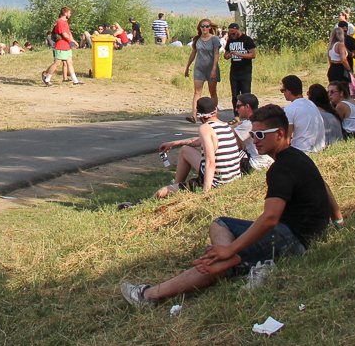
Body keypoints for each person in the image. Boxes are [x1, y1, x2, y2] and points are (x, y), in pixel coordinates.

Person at [121, 104, 342, 307]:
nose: (255, 140)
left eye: (261, 135)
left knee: (215, 264)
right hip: (305, 232)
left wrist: (231, 248)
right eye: (253, 134)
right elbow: (324, 185)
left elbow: (269, 219)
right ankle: (229, 259)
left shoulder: (280, 170)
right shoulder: (299, 158)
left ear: (281, 134)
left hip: (292, 239)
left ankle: (149, 295)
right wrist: (338, 220)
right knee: (220, 223)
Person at [155, 96, 245, 197]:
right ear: (215, 110)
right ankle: (176, 185)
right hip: (232, 178)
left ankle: (171, 192)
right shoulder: (226, 126)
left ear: (198, 115)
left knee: (161, 192)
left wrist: (206, 192)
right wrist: (173, 143)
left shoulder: (205, 128)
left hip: (217, 182)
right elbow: (195, 141)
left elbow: (210, 162)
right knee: (185, 150)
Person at [184, 19, 222, 122]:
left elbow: (216, 54)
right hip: (199, 68)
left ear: (210, 27)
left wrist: (214, 69)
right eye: (202, 26)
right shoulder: (197, 39)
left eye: (206, 26)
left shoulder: (214, 39)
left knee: (212, 92)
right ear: (199, 28)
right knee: (197, 92)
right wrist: (187, 67)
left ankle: (214, 115)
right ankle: (194, 115)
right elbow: (193, 54)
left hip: (211, 68)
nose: (204, 28)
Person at [280, 74, 325, 154]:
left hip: (301, 151)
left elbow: (286, 140)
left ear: (288, 91)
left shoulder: (290, 109)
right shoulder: (311, 104)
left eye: (283, 90)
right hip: (319, 149)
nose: (283, 93)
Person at [232, 93, 273, 171]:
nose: (236, 110)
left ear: (247, 107)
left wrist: (234, 126)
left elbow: (225, 136)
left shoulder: (248, 124)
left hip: (256, 164)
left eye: (238, 106)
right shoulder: (264, 119)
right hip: (270, 161)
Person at [42, 6, 80, 86]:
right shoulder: (60, 22)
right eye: (69, 13)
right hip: (60, 46)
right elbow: (64, 35)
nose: (70, 14)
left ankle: (75, 81)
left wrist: (73, 41)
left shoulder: (65, 22)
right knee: (57, 63)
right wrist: (73, 41)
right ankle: (47, 78)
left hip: (67, 45)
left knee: (69, 62)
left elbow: (69, 33)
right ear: (65, 13)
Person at [223, 22, 256, 101]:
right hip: (234, 72)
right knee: (235, 95)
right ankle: (236, 112)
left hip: (245, 71)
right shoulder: (230, 40)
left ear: (237, 30)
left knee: (246, 94)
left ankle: (247, 112)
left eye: (233, 33)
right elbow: (225, 55)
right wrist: (228, 55)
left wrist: (240, 54)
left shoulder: (247, 40)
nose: (232, 35)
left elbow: (253, 55)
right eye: (230, 34)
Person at [307, 83, 343, 147]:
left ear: (310, 97)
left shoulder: (315, 115)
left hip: (325, 147)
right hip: (338, 145)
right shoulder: (332, 113)